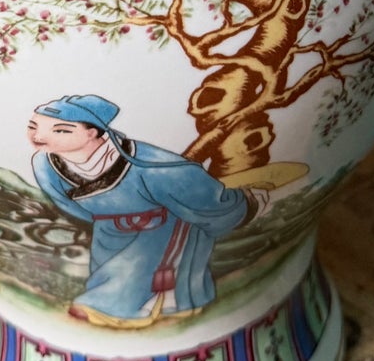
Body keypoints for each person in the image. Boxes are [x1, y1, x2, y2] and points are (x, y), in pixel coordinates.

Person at [27, 94, 256, 327]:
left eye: (60, 130)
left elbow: (198, 192)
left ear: (92, 132)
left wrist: (243, 205)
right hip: (108, 229)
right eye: (32, 127)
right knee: (105, 269)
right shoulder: (44, 164)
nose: (38, 136)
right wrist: (109, 220)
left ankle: (108, 309)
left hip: (161, 226)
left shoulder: (149, 165)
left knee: (133, 269)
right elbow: (66, 203)